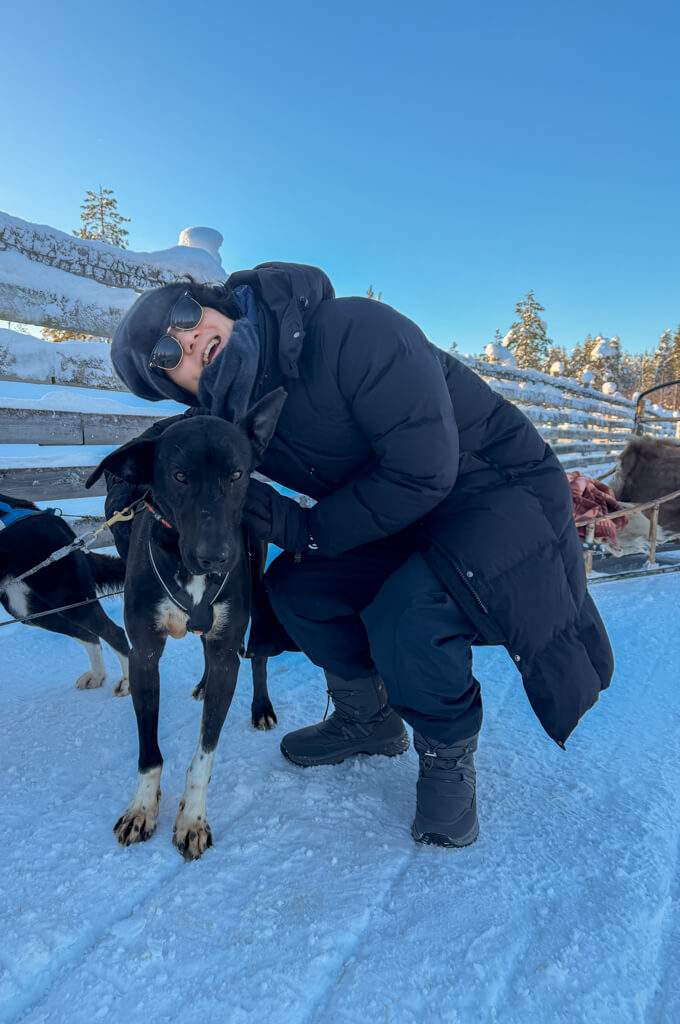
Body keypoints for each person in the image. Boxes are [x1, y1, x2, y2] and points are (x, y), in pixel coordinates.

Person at [107, 262, 613, 849]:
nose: (189, 339)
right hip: (405, 518)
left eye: (185, 316)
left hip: (500, 497)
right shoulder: (238, 417)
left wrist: (303, 525)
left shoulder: (354, 331)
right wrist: (129, 492)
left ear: (215, 304)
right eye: (170, 355)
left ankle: (447, 756)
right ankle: (368, 719)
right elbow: (169, 457)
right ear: (182, 388)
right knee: (298, 588)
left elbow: (424, 470)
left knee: (410, 611)